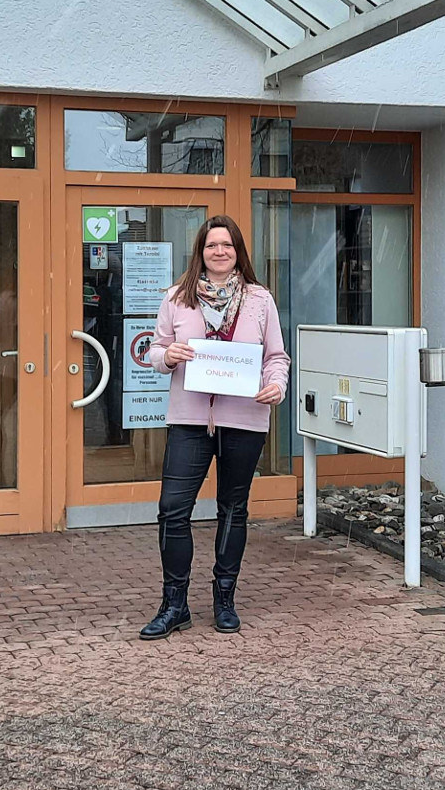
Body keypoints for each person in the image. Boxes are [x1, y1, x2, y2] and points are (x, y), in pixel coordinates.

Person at [140, 215, 289, 638]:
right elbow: (155, 350)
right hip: (189, 418)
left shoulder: (260, 300)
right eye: (211, 245)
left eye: (226, 244)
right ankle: (175, 604)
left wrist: (275, 385)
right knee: (172, 510)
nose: (219, 251)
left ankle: (224, 599)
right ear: (200, 252)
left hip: (244, 418)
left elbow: (276, 357)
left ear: (238, 250)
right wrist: (168, 357)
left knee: (232, 509)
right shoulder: (176, 297)